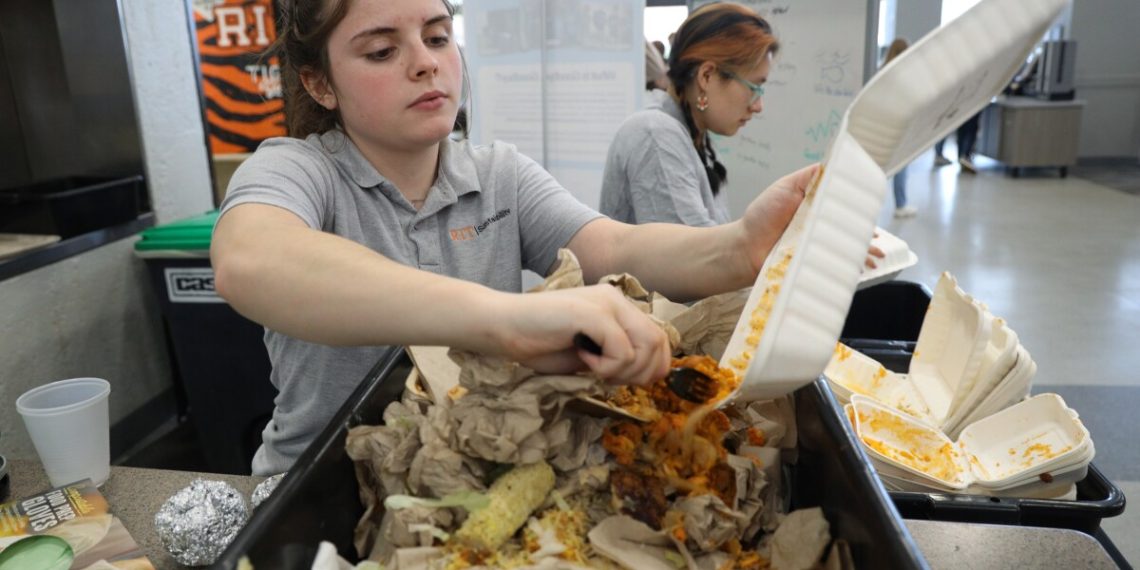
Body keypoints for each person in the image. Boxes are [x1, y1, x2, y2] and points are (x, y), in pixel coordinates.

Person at [211, 0, 818, 476]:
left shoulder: (499, 175)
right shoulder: (296, 170)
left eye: (438, 36)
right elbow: (250, 259)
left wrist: (741, 246)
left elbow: (611, 246)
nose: (425, 62)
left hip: (462, 473)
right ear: (320, 85)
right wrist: (506, 321)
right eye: (380, 51)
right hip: (317, 489)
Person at [599, 4, 775, 226]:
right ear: (707, 76)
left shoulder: (696, 138)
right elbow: (698, 256)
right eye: (754, 88)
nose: (758, 106)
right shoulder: (655, 135)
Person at [883, 38, 917, 218]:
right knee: (901, 166)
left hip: (883, 125)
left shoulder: (883, 73)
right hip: (898, 126)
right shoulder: (903, 76)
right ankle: (900, 204)